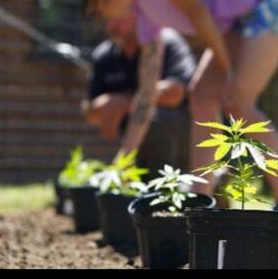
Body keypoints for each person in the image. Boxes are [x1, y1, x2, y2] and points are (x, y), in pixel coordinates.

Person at [73, 0, 278, 212]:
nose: (100, 15)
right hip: (239, 17)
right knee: (202, 96)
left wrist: (227, 69)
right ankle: (200, 199)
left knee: (238, 101)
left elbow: (197, 11)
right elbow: (146, 94)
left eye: (96, 5)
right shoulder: (143, 14)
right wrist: (123, 161)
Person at [81, 11, 195, 176]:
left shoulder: (166, 41)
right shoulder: (104, 56)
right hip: (127, 139)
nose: (110, 26)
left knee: (154, 117)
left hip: (178, 133)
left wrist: (125, 102)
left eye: (118, 19)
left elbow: (176, 93)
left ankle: (158, 186)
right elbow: (89, 110)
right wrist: (106, 105)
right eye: (108, 20)